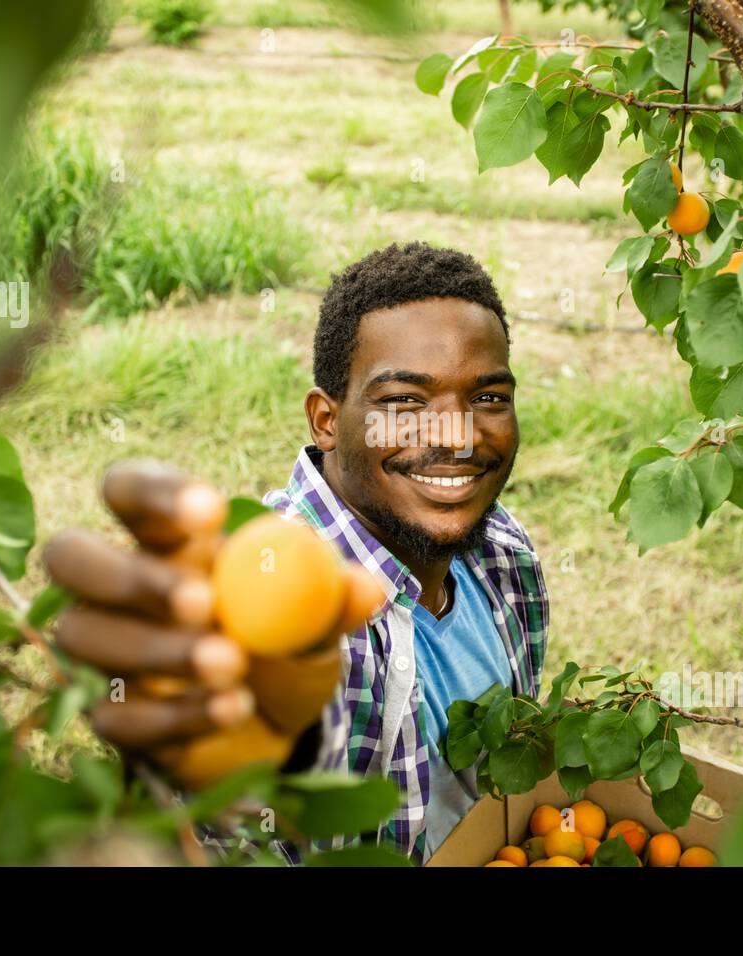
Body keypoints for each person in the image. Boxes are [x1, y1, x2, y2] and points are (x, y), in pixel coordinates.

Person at [44, 241, 549, 863]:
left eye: (489, 397)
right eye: (403, 402)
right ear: (326, 419)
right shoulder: (271, 591)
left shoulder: (504, 553)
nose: (457, 435)